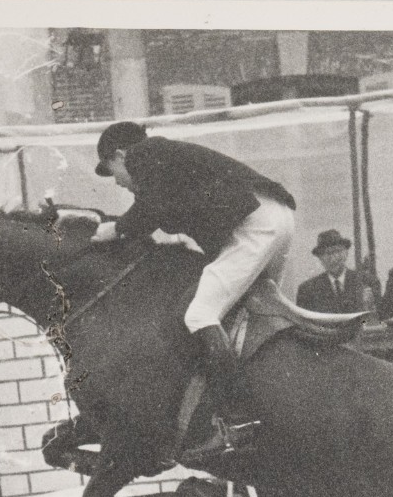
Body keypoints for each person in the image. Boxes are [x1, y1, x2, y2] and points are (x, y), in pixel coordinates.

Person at [89, 120, 298, 367]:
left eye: (112, 171)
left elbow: (149, 209)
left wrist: (114, 229)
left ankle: (232, 394)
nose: (116, 182)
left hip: (256, 224)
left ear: (120, 155)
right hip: (274, 216)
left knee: (200, 315)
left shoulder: (142, 153)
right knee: (252, 311)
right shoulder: (164, 166)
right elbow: (153, 211)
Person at [296, 229, 370, 314]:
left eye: (337, 251)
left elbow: (375, 319)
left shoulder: (366, 282)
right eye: (328, 253)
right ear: (320, 258)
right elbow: (304, 324)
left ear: (346, 253)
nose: (333, 258)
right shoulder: (307, 290)